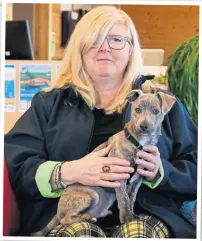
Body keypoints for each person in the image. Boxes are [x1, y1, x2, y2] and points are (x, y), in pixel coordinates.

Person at [4, 5, 197, 238]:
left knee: (139, 234)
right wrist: (69, 171)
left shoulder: (164, 105)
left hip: (148, 215)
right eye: (95, 39)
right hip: (73, 215)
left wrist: (161, 172)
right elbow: (17, 164)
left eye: (116, 39)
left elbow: (195, 167)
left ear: (130, 50)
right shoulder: (48, 104)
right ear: (79, 49)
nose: (104, 47)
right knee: (79, 233)